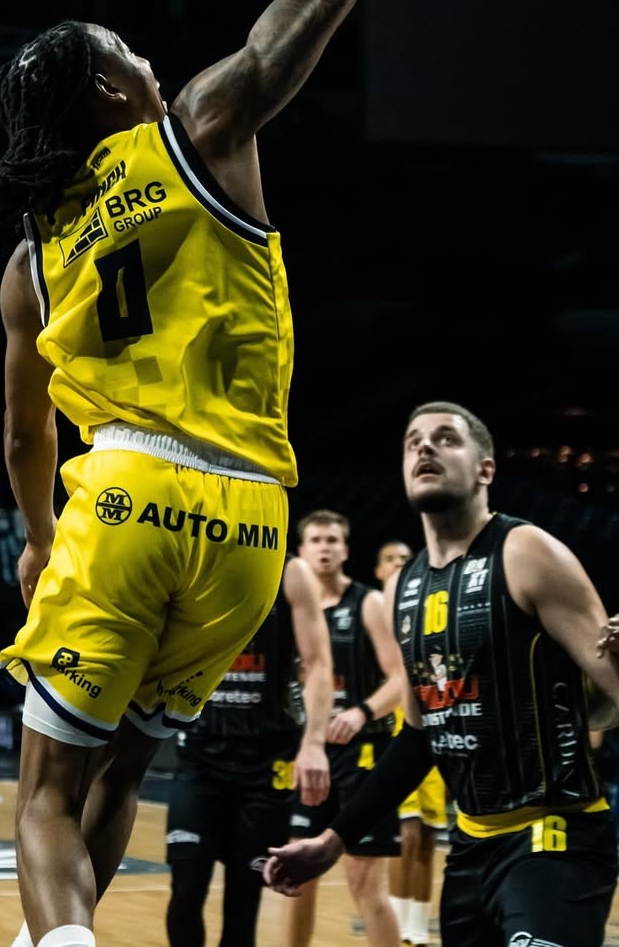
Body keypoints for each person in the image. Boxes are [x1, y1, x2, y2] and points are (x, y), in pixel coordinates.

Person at [0, 0, 365, 947]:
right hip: (251, 521)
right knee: (122, 777)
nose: (147, 60)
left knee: (46, 793)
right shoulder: (201, 127)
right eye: (130, 51)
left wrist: (39, 538)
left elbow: (23, 434)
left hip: (128, 496)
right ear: (110, 84)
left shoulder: (33, 256)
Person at [265, 401, 619, 947]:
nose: (425, 447)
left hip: (554, 842)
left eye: (446, 438)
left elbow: (608, 699)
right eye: (413, 442)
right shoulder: (406, 586)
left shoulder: (527, 552)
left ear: (486, 469)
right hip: (470, 850)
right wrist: (334, 841)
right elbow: (419, 737)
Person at [165, 555, 334, 947]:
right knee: (186, 885)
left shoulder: (290, 570)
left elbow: (318, 664)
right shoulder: (190, 558)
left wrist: (313, 743)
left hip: (266, 763)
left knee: (244, 897)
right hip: (200, 756)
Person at [289, 511, 405, 947]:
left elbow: (400, 677)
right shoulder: (290, 610)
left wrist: (361, 712)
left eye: (332, 540)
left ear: (346, 550)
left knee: (365, 882)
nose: (325, 547)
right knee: (295, 877)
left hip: (363, 755)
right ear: (301, 552)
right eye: (316, 540)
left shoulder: (368, 603)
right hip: (307, 755)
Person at [374, 539, 447, 947]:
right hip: (393, 730)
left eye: (405, 559)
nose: (399, 564)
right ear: (378, 570)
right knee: (407, 833)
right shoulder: (373, 613)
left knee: (429, 834)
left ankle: (417, 930)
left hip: (434, 723)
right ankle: (400, 925)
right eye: (390, 559)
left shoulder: (428, 608)